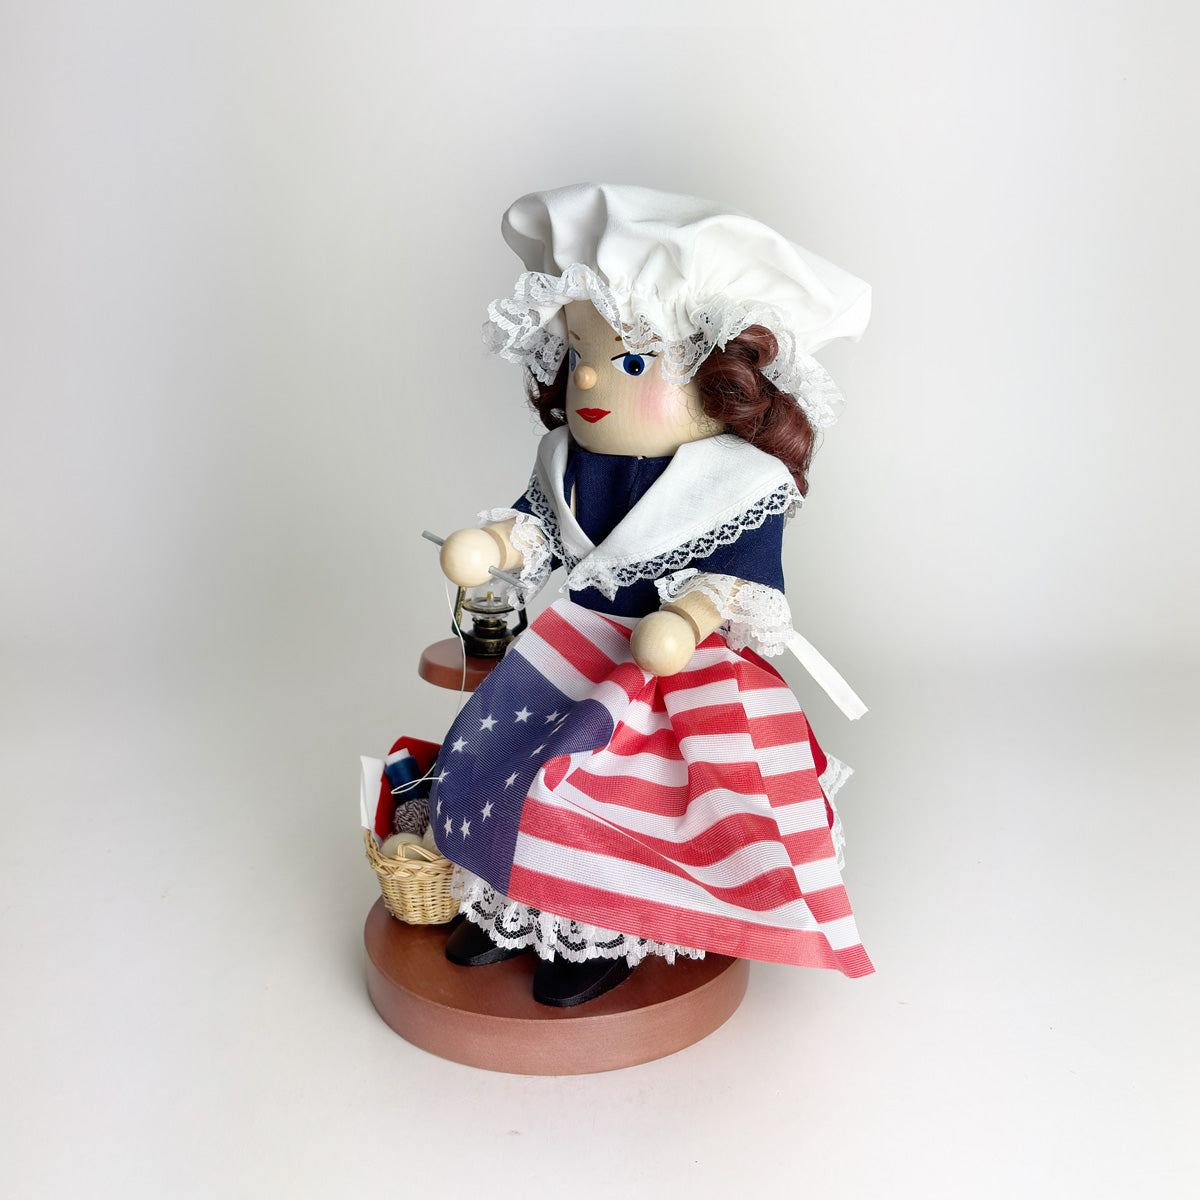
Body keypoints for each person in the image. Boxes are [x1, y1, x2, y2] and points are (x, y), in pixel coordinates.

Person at [429, 184, 873, 1007]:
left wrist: (689, 616)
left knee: (621, 796)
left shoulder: (737, 484)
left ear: (720, 381)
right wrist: (492, 546)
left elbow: (739, 581)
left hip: (670, 676)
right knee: (511, 764)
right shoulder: (571, 460)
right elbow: (542, 528)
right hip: (572, 648)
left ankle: (605, 925)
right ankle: (513, 902)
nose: (594, 379)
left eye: (633, 363)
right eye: (582, 356)